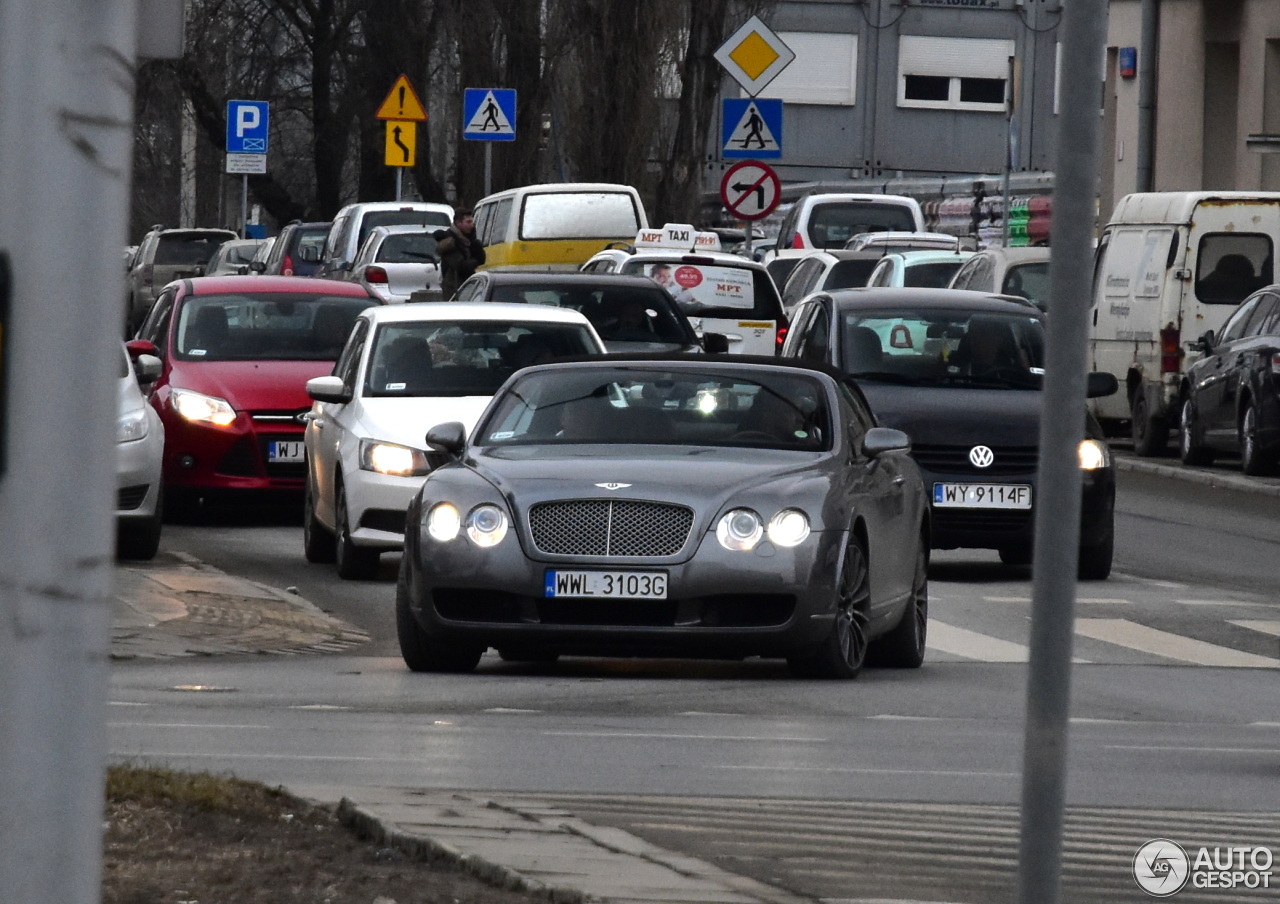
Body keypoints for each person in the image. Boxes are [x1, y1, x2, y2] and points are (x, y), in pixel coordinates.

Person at [434, 208, 486, 299]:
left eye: (472, 222)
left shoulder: (467, 239)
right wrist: (475, 261)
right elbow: (460, 266)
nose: (472, 225)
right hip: (454, 288)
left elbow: (482, 259)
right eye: (468, 222)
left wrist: (474, 242)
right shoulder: (449, 242)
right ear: (458, 223)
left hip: (467, 285)